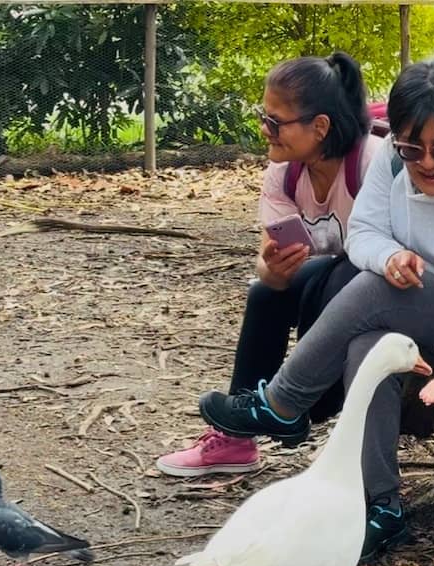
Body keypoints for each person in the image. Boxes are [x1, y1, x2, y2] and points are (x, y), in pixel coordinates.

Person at [196, 58, 434, 561]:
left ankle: (282, 403)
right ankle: (381, 507)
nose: (427, 163)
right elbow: (364, 232)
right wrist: (390, 257)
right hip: (432, 302)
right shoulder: (390, 159)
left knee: (378, 292)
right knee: (371, 347)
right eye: (413, 149)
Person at [156, 51, 381, 477]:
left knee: (338, 279)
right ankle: (235, 438)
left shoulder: (371, 164)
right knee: (266, 293)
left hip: (393, 290)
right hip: (340, 284)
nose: (265, 130)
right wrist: (273, 272)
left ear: (320, 127)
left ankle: (306, 406)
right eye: (264, 116)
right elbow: (267, 267)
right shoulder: (285, 173)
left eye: (276, 122)